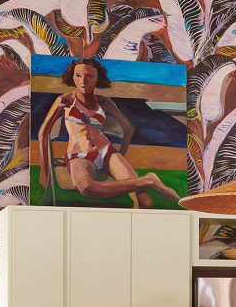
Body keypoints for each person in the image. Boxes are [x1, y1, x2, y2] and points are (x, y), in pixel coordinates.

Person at [38, 58, 180, 207]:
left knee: (145, 201)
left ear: (98, 78)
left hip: (107, 151)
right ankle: (149, 180)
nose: (83, 81)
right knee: (86, 188)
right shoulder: (64, 100)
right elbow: (43, 133)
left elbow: (128, 128)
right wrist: (44, 169)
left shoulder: (104, 102)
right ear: (72, 77)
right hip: (79, 154)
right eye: (78, 75)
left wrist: (121, 154)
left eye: (90, 76)